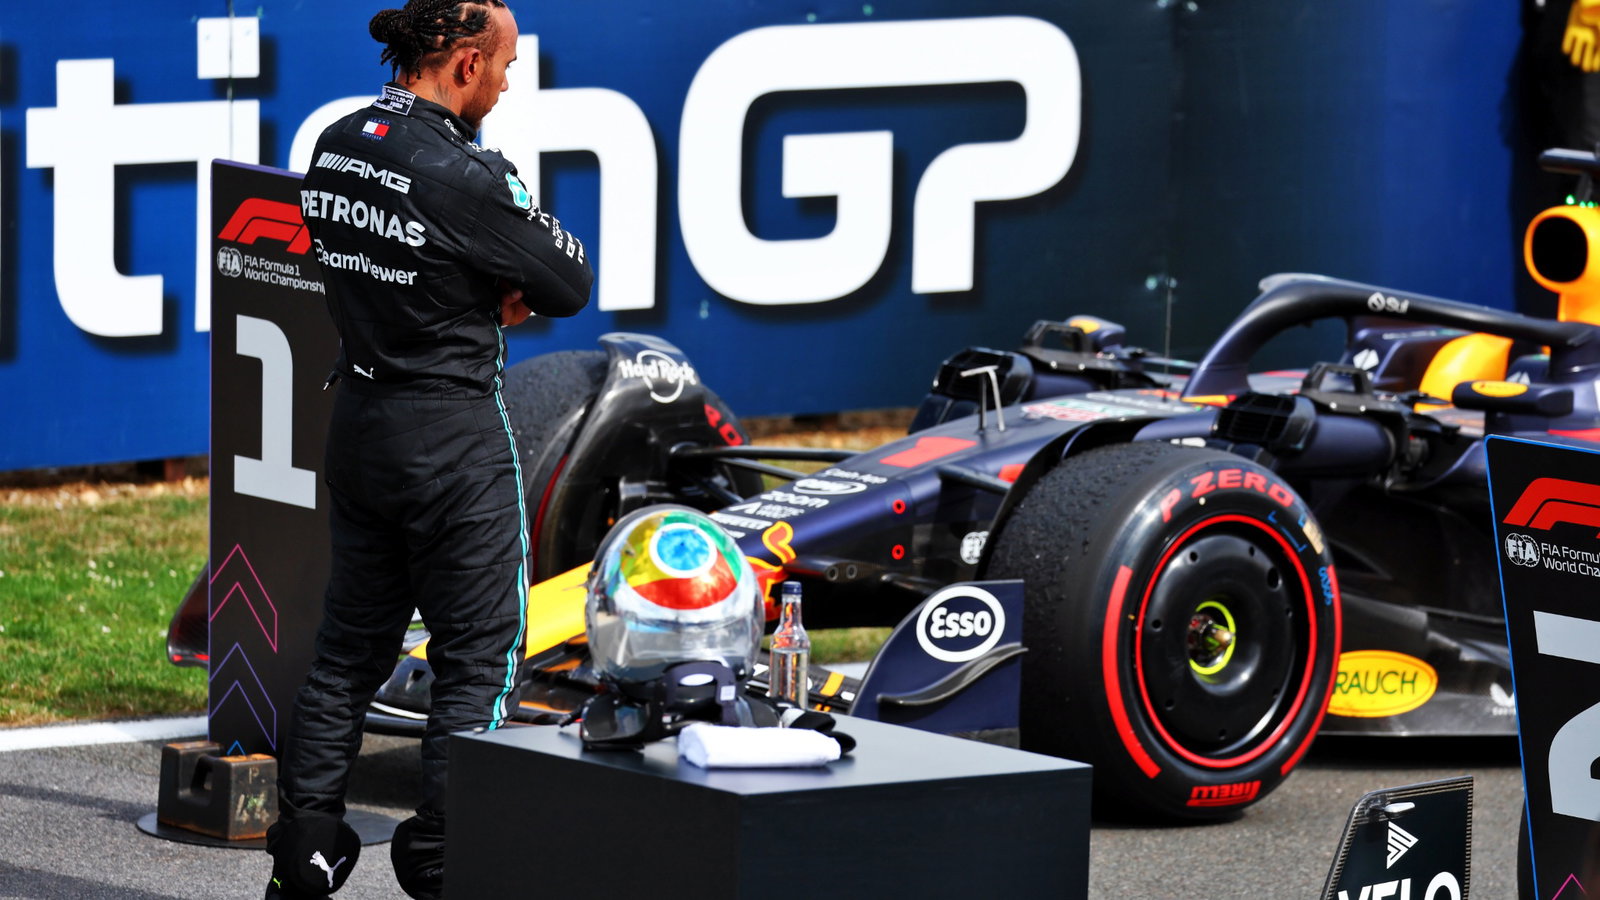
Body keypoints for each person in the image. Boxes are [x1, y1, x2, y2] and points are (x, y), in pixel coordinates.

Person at [263, 2, 593, 898]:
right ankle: (450, 863)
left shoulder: (334, 139)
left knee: (345, 656)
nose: (508, 81)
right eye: (504, 63)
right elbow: (569, 278)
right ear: (460, 62)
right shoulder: (467, 173)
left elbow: (386, 257)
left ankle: (301, 860)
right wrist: (491, 284)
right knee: (479, 662)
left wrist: (471, 281)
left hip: (361, 428)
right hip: (452, 439)